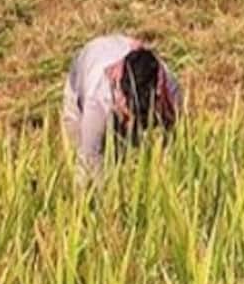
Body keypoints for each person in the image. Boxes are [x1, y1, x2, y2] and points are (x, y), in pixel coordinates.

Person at [61, 35, 182, 181]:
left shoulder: (169, 89)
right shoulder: (97, 100)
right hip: (83, 71)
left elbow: (175, 141)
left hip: (116, 51)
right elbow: (89, 159)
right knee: (83, 156)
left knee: (130, 155)